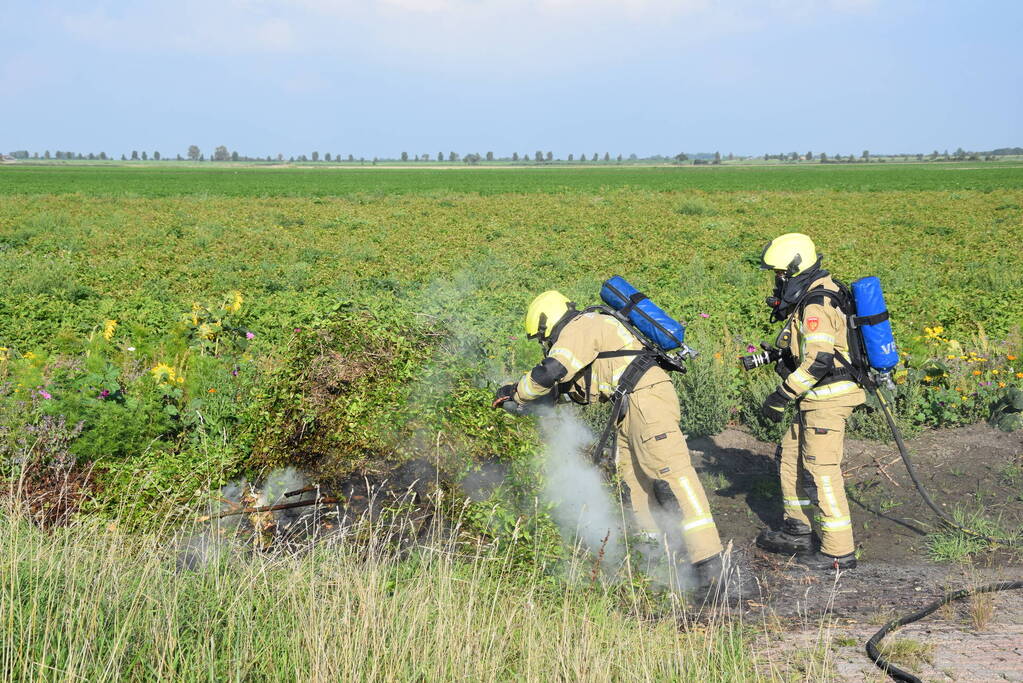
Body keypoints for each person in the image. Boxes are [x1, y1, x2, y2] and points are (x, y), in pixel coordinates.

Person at [494, 290, 725, 589]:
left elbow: (552, 370)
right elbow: (571, 389)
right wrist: (524, 402)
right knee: (635, 484)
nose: (545, 344)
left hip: (647, 401)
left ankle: (710, 564)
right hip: (630, 407)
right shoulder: (585, 332)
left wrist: (518, 392)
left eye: (542, 337)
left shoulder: (581, 327)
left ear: (547, 323)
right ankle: (651, 559)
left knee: (673, 474)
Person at [755, 233, 865, 570]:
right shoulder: (812, 294)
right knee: (790, 459)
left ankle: (838, 551)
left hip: (828, 399)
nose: (777, 281)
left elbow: (818, 361)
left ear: (794, 270)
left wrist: (780, 395)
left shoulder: (816, 303)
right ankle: (797, 530)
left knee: (821, 471)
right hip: (812, 398)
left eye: (780, 274)